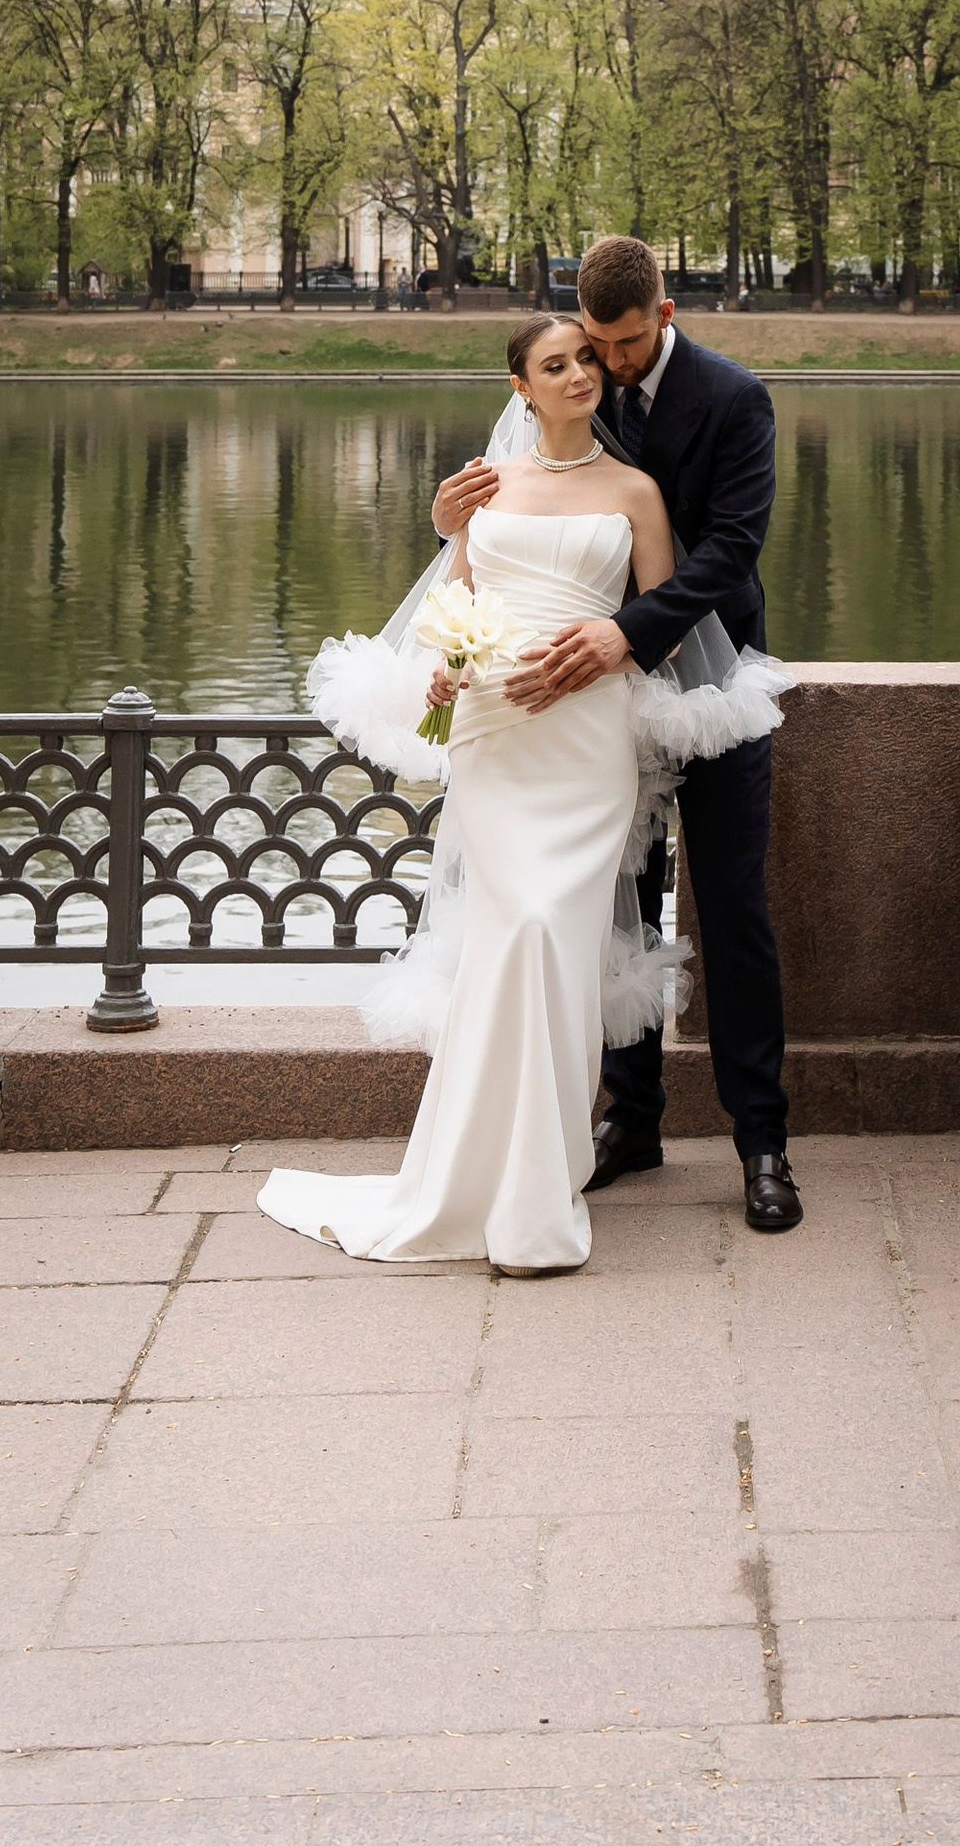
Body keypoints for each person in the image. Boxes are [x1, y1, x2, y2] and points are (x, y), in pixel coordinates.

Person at [261, 315, 676, 1272]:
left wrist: (597, 662)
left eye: (585, 359)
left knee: (555, 942)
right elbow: (455, 605)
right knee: (512, 938)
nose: (579, 375)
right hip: (495, 737)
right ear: (521, 388)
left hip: (587, 742)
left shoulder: (636, 492)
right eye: (554, 365)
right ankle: (485, 1179)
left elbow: (658, 624)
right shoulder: (488, 488)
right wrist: (447, 669)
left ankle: (540, 1188)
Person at [432, 234, 800, 1238]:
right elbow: (510, 530)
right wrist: (445, 520)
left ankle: (762, 1145)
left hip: (709, 692)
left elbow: (731, 550)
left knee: (730, 907)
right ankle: (630, 1120)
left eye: (625, 345)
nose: (605, 365)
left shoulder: (734, 398)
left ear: (664, 316)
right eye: (592, 346)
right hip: (585, 715)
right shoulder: (577, 386)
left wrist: (626, 633)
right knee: (613, 911)